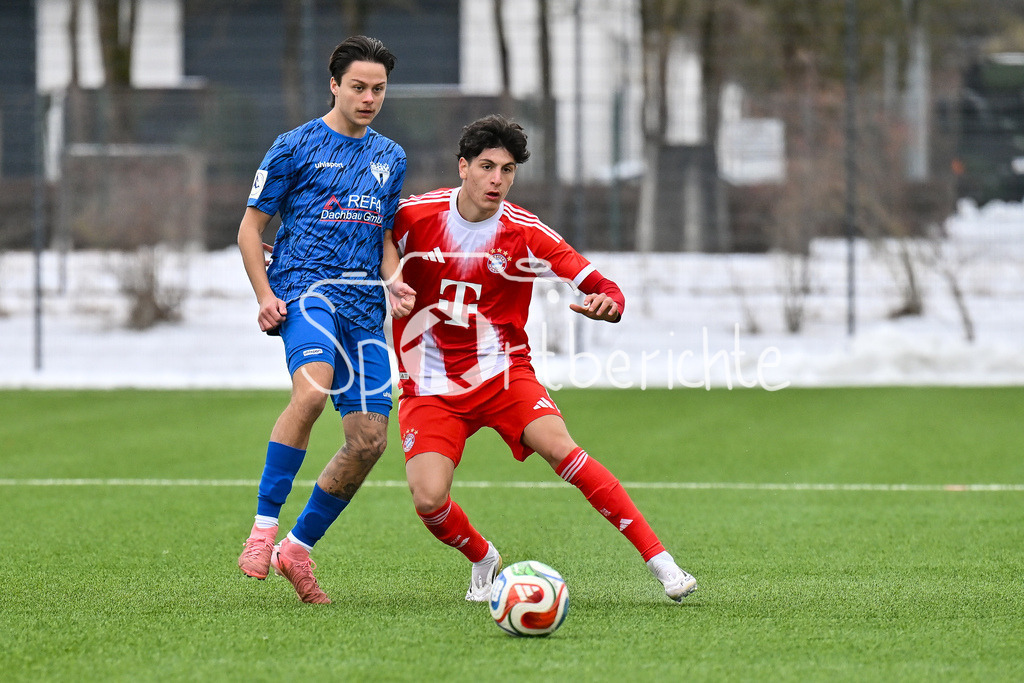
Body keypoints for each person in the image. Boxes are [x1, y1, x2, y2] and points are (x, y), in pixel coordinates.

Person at [389, 114, 697, 603]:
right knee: (428, 499)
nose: (497, 179)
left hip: (503, 374)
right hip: (429, 384)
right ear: (463, 167)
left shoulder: (525, 232)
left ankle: (663, 563)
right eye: (487, 167)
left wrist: (609, 303)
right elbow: (362, 243)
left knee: (563, 450)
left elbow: (600, 284)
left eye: (508, 170)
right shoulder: (413, 216)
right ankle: (483, 557)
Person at [236, 35, 415, 604]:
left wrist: (394, 279)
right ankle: (262, 530)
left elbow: (382, 237)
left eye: (378, 89)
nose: (369, 98)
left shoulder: (391, 156)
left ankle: (296, 549)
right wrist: (265, 295)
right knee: (312, 393)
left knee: (370, 441)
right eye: (358, 87)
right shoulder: (294, 146)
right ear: (334, 85)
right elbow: (250, 230)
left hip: (364, 307)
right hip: (306, 291)